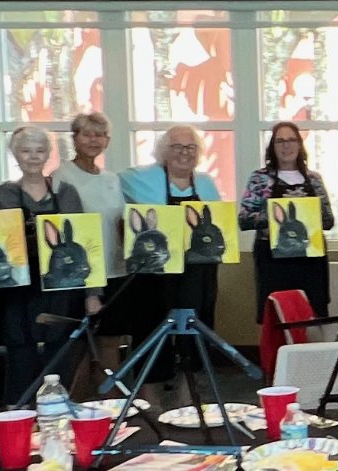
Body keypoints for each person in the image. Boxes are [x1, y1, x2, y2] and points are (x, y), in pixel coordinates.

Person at [0, 127, 99, 402]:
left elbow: (84, 242)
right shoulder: (1, 195)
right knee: (20, 358)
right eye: (26, 151)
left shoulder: (66, 193)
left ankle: (59, 414)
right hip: (17, 291)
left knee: (61, 356)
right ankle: (20, 417)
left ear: (48, 154)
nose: (33, 157)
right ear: (15, 155)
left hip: (62, 289)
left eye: (39, 151)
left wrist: (93, 294)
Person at [118, 125, 223, 403]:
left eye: (191, 147)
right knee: (150, 329)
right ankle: (150, 400)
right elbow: (106, 189)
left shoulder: (206, 183)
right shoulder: (137, 178)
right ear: (163, 151)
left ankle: (187, 397)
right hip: (154, 274)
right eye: (177, 147)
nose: (184, 153)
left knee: (195, 330)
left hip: (198, 273)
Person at [52, 112, 127, 397]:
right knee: (80, 344)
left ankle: (111, 402)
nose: (94, 140)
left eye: (100, 134)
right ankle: (77, 403)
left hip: (115, 269)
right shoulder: (61, 177)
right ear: (74, 139)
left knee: (110, 340)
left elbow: (120, 221)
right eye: (87, 134)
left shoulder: (111, 179)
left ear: (107, 140)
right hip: (81, 274)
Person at [240, 122, 335, 318]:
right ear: (272, 147)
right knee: (276, 317)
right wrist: (272, 216)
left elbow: (328, 221)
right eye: (280, 141)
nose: (286, 145)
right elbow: (244, 219)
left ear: (299, 144)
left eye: (291, 140)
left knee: (313, 317)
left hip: (311, 261)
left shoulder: (314, 179)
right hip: (273, 262)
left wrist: (308, 212)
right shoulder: (259, 178)